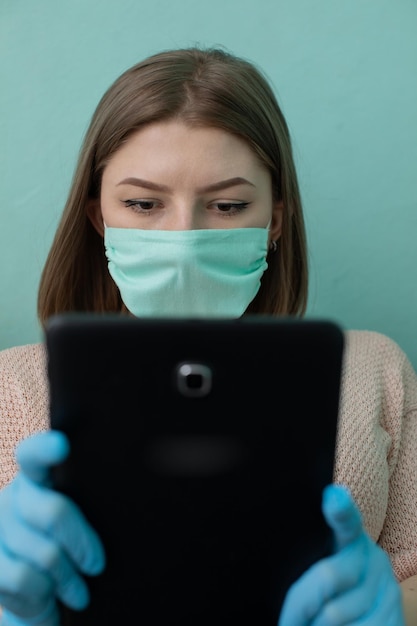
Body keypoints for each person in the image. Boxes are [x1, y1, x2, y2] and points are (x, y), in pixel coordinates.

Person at [0, 45, 416, 626]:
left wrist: (394, 609)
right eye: (143, 203)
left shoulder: (373, 369)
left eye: (226, 205)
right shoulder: (9, 387)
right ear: (99, 218)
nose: (183, 238)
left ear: (274, 220)